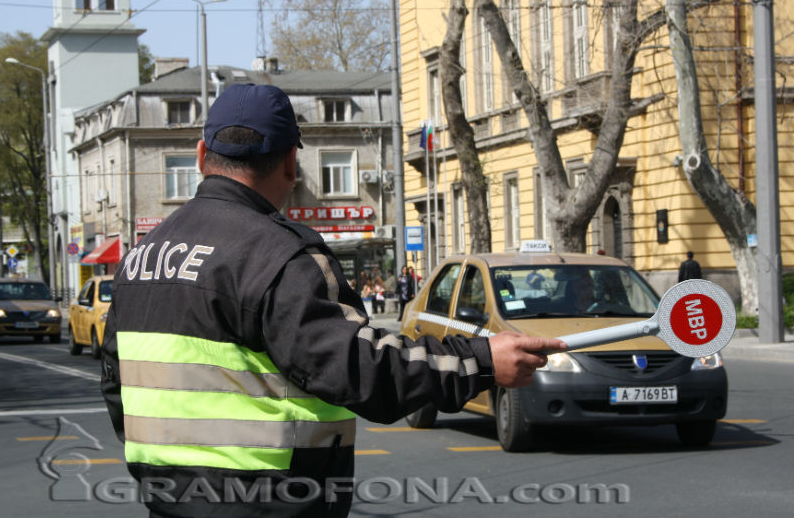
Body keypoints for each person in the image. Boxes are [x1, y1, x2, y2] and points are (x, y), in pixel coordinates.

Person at [100, 83, 564, 518]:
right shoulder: (279, 254)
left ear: (202, 156)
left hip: (168, 501)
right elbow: (359, 369)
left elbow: (115, 384)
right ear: (289, 163)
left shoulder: (141, 256)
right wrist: (480, 361)